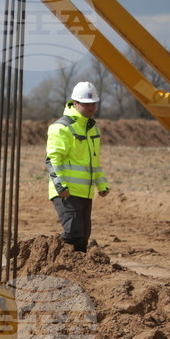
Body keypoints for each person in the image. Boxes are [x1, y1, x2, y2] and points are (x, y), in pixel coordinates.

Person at [45, 81, 110, 253]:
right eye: (86, 104)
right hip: (66, 191)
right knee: (74, 232)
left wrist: (101, 184)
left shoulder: (93, 129)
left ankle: (78, 267)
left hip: (85, 192)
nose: (91, 107)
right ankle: (47, 253)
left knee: (83, 237)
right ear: (74, 103)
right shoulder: (61, 127)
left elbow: (94, 162)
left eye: (93, 104)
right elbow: (53, 159)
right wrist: (60, 185)